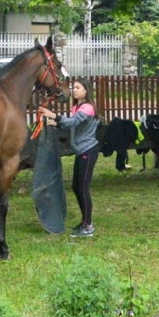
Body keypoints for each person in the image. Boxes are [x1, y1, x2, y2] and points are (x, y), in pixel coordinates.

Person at [39, 78, 101, 237]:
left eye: (78, 87)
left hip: (88, 151)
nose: (74, 90)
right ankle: (85, 221)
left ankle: (88, 226)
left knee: (82, 188)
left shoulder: (88, 108)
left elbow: (73, 122)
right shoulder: (76, 107)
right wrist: (57, 123)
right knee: (76, 186)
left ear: (86, 90)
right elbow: (71, 126)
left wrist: (54, 116)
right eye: (73, 87)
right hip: (81, 151)